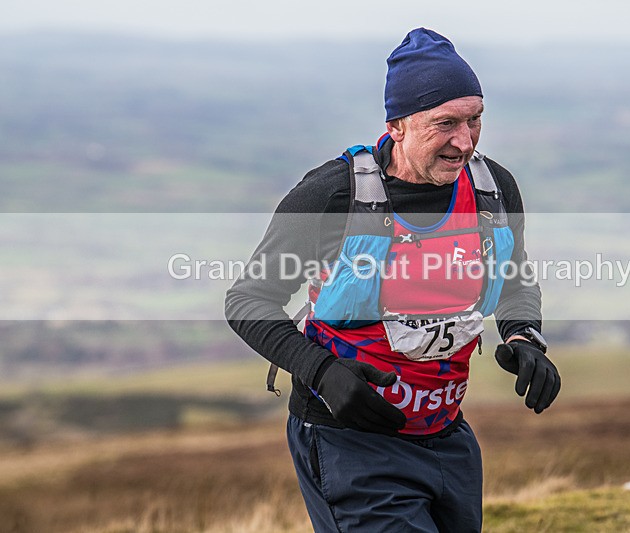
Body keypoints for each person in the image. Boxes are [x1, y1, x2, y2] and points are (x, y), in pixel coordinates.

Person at [225, 27, 560, 532]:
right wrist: (322, 372)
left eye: (475, 120)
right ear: (397, 125)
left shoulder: (493, 190)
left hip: (447, 437)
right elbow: (248, 300)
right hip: (349, 442)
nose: (465, 141)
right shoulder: (332, 195)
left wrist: (523, 335)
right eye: (445, 123)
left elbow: (514, 279)